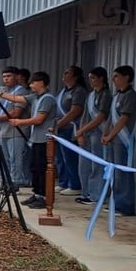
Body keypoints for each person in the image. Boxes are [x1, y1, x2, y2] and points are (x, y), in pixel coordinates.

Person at [0, 71, 58, 209]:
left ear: (41, 83)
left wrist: (20, 122)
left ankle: (44, 196)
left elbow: (39, 120)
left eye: (33, 82)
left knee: (42, 169)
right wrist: (0, 94)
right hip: (36, 139)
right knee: (35, 168)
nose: (31, 85)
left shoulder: (47, 99)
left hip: (45, 140)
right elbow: (18, 99)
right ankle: (37, 193)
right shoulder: (35, 97)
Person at [73, 67, 111, 205]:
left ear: (101, 78)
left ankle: (96, 195)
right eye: (89, 78)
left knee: (97, 166)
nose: (91, 81)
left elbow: (100, 117)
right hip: (87, 134)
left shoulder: (106, 95)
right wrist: (81, 133)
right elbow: (85, 116)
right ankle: (86, 192)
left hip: (99, 133)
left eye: (93, 78)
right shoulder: (90, 95)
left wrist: (82, 130)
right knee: (84, 165)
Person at [101, 65, 136, 216]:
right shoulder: (117, 95)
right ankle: (116, 201)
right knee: (114, 172)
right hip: (113, 140)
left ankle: (125, 205)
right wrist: (105, 133)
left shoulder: (131, 96)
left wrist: (110, 135)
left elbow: (123, 118)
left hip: (124, 140)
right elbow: (110, 117)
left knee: (123, 173)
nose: (113, 79)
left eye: (116, 76)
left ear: (126, 77)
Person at [0, 66, 30, 188]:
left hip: (16, 131)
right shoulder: (2, 89)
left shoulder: (21, 91)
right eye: (4, 76)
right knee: (4, 158)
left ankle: (15, 182)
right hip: (3, 130)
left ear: (16, 77)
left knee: (15, 159)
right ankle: (4, 181)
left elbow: (16, 113)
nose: (6, 79)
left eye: (9, 76)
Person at [54, 66, 87, 196]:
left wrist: (60, 124)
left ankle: (74, 184)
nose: (64, 74)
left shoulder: (79, 91)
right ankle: (64, 182)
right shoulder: (63, 91)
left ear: (75, 76)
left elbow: (75, 111)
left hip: (70, 128)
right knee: (60, 158)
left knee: (70, 157)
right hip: (60, 128)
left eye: (68, 73)